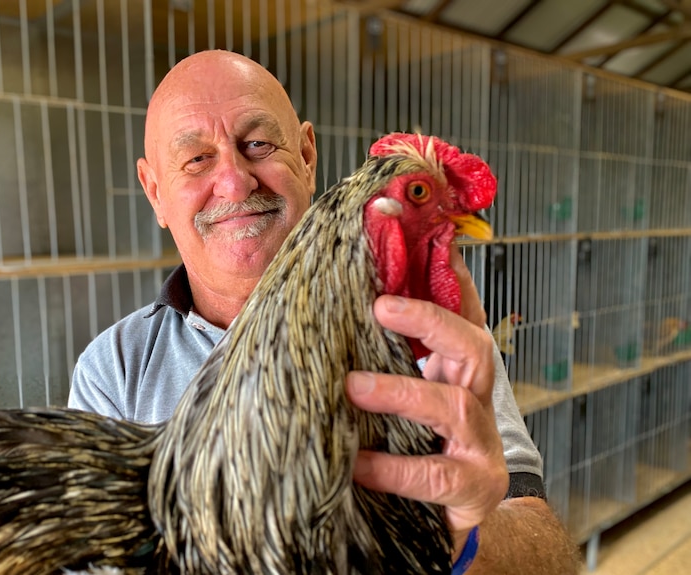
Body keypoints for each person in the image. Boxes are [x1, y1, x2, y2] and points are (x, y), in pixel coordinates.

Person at [69, 50, 579, 573]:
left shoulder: (433, 337)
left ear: (308, 157)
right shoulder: (115, 370)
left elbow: (550, 560)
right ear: (155, 192)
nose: (235, 181)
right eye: (196, 159)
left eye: (258, 144)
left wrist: (464, 535)